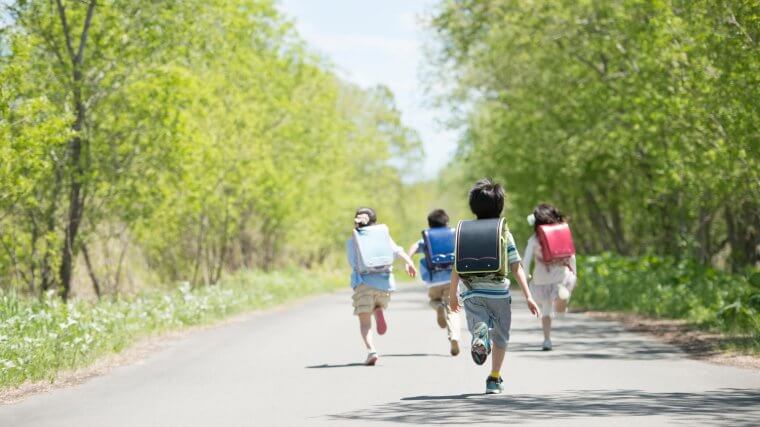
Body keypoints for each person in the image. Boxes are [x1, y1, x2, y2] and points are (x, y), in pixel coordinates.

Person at [449, 179, 540, 394]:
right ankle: (494, 378)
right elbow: (517, 268)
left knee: (478, 323)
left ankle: (480, 334)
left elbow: (456, 265)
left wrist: (452, 293)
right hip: (499, 292)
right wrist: (528, 296)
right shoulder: (504, 233)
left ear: (473, 206)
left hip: (472, 291)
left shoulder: (464, 232)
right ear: (500, 206)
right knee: (501, 336)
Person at [347, 207, 417, 366]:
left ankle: (371, 351)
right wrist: (410, 263)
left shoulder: (353, 239)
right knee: (378, 301)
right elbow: (397, 251)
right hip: (385, 283)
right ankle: (378, 308)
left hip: (363, 283)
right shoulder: (383, 235)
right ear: (375, 222)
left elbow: (352, 262)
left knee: (365, 324)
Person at [522, 204, 578, 351]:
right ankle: (561, 300)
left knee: (546, 311)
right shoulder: (562, 233)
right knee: (559, 307)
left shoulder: (534, 239)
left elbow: (526, 261)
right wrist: (575, 273)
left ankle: (547, 340)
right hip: (560, 277)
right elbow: (571, 255)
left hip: (541, 279)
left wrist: (526, 277)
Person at [407, 209, 461, 356]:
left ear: (429, 225)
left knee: (434, 300)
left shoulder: (427, 237)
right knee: (453, 310)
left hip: (433, 281)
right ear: (447, 223)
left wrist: (409, 260)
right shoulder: (453, 234)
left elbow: (414, 247)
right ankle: (454, 336)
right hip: (451, 279)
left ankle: (438, 307)